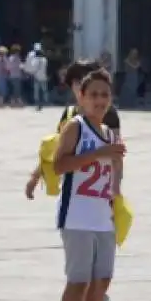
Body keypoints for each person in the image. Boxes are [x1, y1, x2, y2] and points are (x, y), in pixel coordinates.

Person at [52, 69, 127, 301]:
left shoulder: (111, 134)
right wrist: (100, 153)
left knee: (101, 282)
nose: (99, 100)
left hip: (103, 217)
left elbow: (114, 173)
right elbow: (59, 165)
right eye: (93, 94)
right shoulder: (76, 127)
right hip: (77, 216)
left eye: (104, 95)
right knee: (78, 282)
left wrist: (117, 181)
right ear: (81, 97)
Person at [25, 59, 121, 199]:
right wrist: (35, 177)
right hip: (72, 193)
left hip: (100, 193)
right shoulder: (69, 114)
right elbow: (54, 149)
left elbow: (117, 157)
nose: (79, 86)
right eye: (76, 82)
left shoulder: (108, 114)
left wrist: (116, 190)